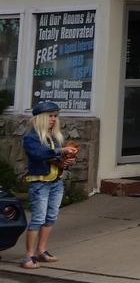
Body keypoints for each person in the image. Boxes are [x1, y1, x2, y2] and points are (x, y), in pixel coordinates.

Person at [21, 100, 76, 270]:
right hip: (39, 183)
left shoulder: (55, 136)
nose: (53, 119)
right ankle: (28, 255)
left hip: (55, 182)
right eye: (50, 116)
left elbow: (55, 159)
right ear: (41, 118)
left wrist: (65, 161)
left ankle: (41, 250)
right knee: (38, 218)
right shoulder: (31, 137)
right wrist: (61, 151)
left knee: (51, 217)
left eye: (55, 116)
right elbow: (38, 154)